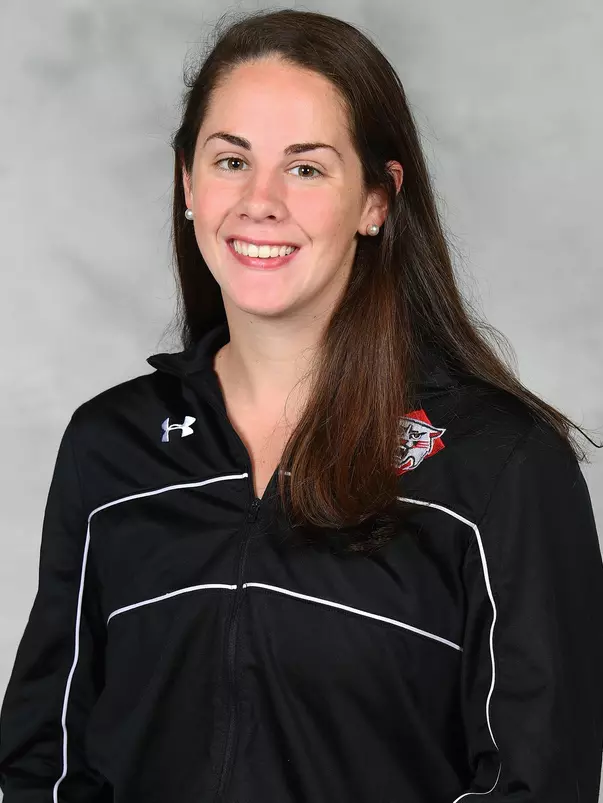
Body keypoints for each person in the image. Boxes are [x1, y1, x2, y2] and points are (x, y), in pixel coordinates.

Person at [1, 8, 602, 803]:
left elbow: (540, 780)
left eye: (306, 168)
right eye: (229, 160)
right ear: (187, 183)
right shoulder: (110, 450)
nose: (260, 201)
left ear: (376, 201)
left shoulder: (500, 466)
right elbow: (42, 763)